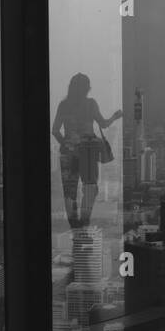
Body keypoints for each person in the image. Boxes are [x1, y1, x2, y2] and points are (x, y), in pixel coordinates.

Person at [51, 74, 121, 228]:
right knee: (90, 186)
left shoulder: (64, 105)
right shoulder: (90, 104)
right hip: (87, 150)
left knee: (70, 190)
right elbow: (103, 124)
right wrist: (115, 116)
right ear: (86, 88)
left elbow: (55, 130)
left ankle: (73, 224)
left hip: (67, 153)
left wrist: (67, 144)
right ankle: (84, 221)